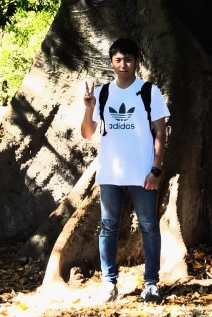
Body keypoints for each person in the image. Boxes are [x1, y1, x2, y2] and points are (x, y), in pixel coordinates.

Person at [81, 38, 170, 303]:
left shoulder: (149, 91)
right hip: (110, 174)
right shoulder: (103, 93)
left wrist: (156, 169)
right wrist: (88, 108)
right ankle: (109, 283)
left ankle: (151, 283)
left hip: (143, 174)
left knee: (149, 227)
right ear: (111, 62)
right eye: (118, 60)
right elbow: (87, 133)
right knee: (108, 227)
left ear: (137, 61)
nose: (123, 65)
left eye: (128, 59)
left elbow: (160, 134)